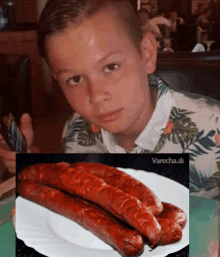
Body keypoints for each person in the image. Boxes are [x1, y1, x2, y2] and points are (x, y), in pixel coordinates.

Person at [0, 0, 220, 199]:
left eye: (111, 67)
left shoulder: (214, 131)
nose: (97, 96)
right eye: (75, 79)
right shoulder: (75, 132)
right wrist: (30, 165)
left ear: (147, 54)